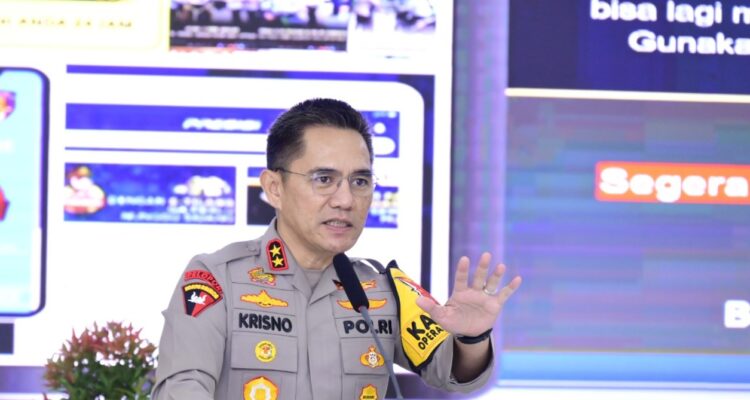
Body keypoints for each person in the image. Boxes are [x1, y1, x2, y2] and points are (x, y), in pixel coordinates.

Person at [151, 98, 522, 399]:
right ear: (274, 188)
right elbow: (181, 390)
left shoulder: (382, 289)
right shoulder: (217, 279)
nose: (345, 199)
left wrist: (472, 338)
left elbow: (452, 373)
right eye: (324, 179)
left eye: (360, 181)